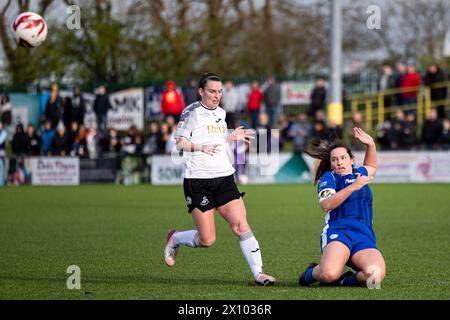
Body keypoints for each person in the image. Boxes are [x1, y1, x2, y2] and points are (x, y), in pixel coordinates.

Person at [164, 73, 276, 286]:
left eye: (219, 91)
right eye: (212, 91)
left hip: (224, 177)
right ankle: (176, 238)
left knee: (242, 225)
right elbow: (179, 143)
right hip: (198, 181)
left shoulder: (222, 113)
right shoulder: (191, 112)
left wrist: (230, 136)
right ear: (201, 92)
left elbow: (212, 136)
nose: (217, 96)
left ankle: (258, 273)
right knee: (207, 240)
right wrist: (200, 147)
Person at [299, 127, 386, 288]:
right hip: (339, 232)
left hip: (363, 235)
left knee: (375, 276)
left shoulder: (360, 173)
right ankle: (310, 274)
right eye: (334, 159)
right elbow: (326, 204)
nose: (339, 162)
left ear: (351, 160)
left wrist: (371, 145)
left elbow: (372, 166)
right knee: (328, 274)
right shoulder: (329, 178)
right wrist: (352, 187)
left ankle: (343, 281)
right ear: (331, 163)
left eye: (343, 158)